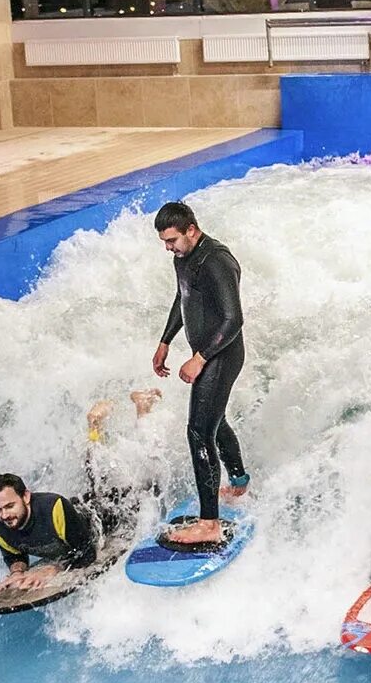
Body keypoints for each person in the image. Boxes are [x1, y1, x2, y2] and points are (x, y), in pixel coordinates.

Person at [151, 202, 250, 547]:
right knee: (213, 420)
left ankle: (209, 523)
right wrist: (165, 341)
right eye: (164, 241)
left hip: (220, 354)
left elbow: (233, 320)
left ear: (191, 229)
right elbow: (184, 296)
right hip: (205, 353)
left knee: (198, 432)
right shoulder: (184, 257)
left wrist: (200, 358)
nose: (168, 247)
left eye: (172, 239)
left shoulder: (218, 261)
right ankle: (238, 481)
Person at [0, 473, 99, 591]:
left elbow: (88, 553)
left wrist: (56, 568)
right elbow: (15, 556)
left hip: (100, 516)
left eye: (10, 506)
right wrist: (17, 572)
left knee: (104, 497)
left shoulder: (55, 508)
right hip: (71, 527)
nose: (4, 515)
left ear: (26, 497)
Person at [84, 388, 164, 533]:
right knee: (148, 461)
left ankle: (95, 426)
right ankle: (96, 425)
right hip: (122, 490)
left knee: (101, 475)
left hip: (116, 492)